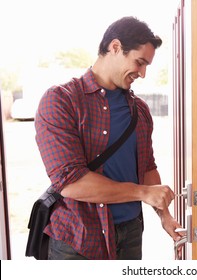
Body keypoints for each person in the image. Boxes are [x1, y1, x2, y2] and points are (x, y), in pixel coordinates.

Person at [34, 16, 183, 260]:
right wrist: (142, 193)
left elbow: (146, 168)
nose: (143, 73)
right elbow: (70, 183)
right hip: (77, 238)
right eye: (140, 62)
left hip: (130, 234)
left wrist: (164, 215)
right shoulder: (61, 101)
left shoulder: (140, 110)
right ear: (115, 47)